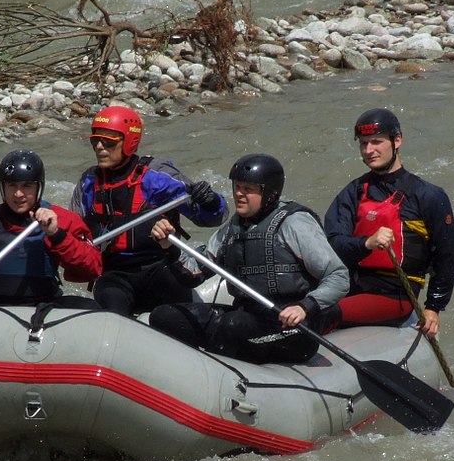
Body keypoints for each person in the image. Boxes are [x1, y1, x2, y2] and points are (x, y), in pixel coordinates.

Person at [148, 153, 348, 365]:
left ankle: (217, 370)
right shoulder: (233, 228)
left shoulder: (295, 223)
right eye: (237, 187)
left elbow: (338, 276)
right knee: (164, 316)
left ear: (269, 193)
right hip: (248, 317)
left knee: (233, 324)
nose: (238, 194)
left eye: (248, 190)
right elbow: (193, 275)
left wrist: (304, 307)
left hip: (293, 328)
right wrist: (168, 246)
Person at [69, 104, 227, 315]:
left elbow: (212, 218)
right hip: (114, 273)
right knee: (112, 312)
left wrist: (210, 202)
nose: (99, 147)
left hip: (160, 266)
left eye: (108, 141)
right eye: (95, 140)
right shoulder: (89, 181)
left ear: (129, 142)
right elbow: (73, 230)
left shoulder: (156, 177)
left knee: (175, 311)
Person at [323, 108, 454, 338]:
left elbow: (447, 255)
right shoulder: (354, 192)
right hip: (351, 287)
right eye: (364, 143)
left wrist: (433, 307)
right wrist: (366, 244)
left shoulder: (428, 196)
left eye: (376, 142)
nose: (369, 150)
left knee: (322, 315)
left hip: (395, 295)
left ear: (397, 141)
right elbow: (333, 243)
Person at [0, 149, 102, 310]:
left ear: (39, 187)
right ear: (3, 187)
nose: (18, 194)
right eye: (12, 185)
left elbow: (92, 268)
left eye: (27, 186)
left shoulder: (60, 219)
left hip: (43, 305)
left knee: (93, 308)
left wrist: (57, 235)